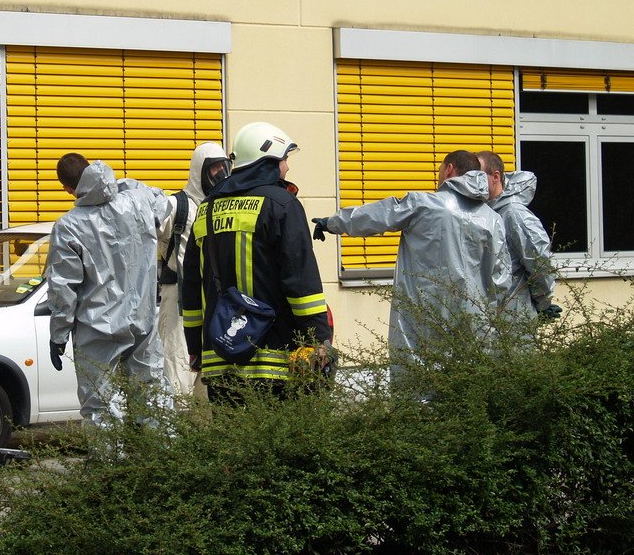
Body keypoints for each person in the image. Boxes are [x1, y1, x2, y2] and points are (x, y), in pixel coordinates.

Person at [312, 150, 511, 379]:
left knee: (419, 386)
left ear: (449, 170)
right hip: (475, 322)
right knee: (468, 386)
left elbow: (378, 216)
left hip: (424, 316)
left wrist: (333, 223)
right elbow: (502, 278)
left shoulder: (424, 205)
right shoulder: (493, 220)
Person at [181, 122, 332, 402]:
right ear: (268, 160)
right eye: (284, 159)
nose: (286, 167)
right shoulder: (281, 204)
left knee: (231, 441)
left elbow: (190, 288)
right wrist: (317, 337)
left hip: (219, 357)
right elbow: (300, 280)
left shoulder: (207, 208)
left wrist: (194, 346)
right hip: (276, 361)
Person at [46, 153, 172, 430]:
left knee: (101, 403)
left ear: (68, 189)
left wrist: (58, 334)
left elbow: (63, 287)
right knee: (153, 395)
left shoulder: (69, 226)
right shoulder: (138, 202)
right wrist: (124, 185)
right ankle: (164, 461)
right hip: (143, 321)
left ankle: (110, 467)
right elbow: (163, 202)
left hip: (97, 328)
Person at [157, 142, 230, 399]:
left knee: (209, 372)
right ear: (200, 170)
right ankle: (177, 431)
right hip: (178, 301)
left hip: (211, 301)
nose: (221, 174)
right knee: (177, 368)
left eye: (225, 167)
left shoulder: (224, 206)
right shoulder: (178, 206)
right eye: (215, 168)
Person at [476, 150, 561, 324]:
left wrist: (543, 303)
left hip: (514, 318)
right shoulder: (483, 214)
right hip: (487, 318)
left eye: (478, 176)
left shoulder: (514, 214)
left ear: (495, 177)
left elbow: (538, 262)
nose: (473, 183)